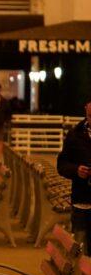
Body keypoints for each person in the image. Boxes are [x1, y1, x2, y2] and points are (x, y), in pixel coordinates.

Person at [56, 98, 91, 252]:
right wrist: (76, 170)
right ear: (86, 110)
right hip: (81, 200)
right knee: (80, 248)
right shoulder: (75, 135)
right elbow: (62, 164)